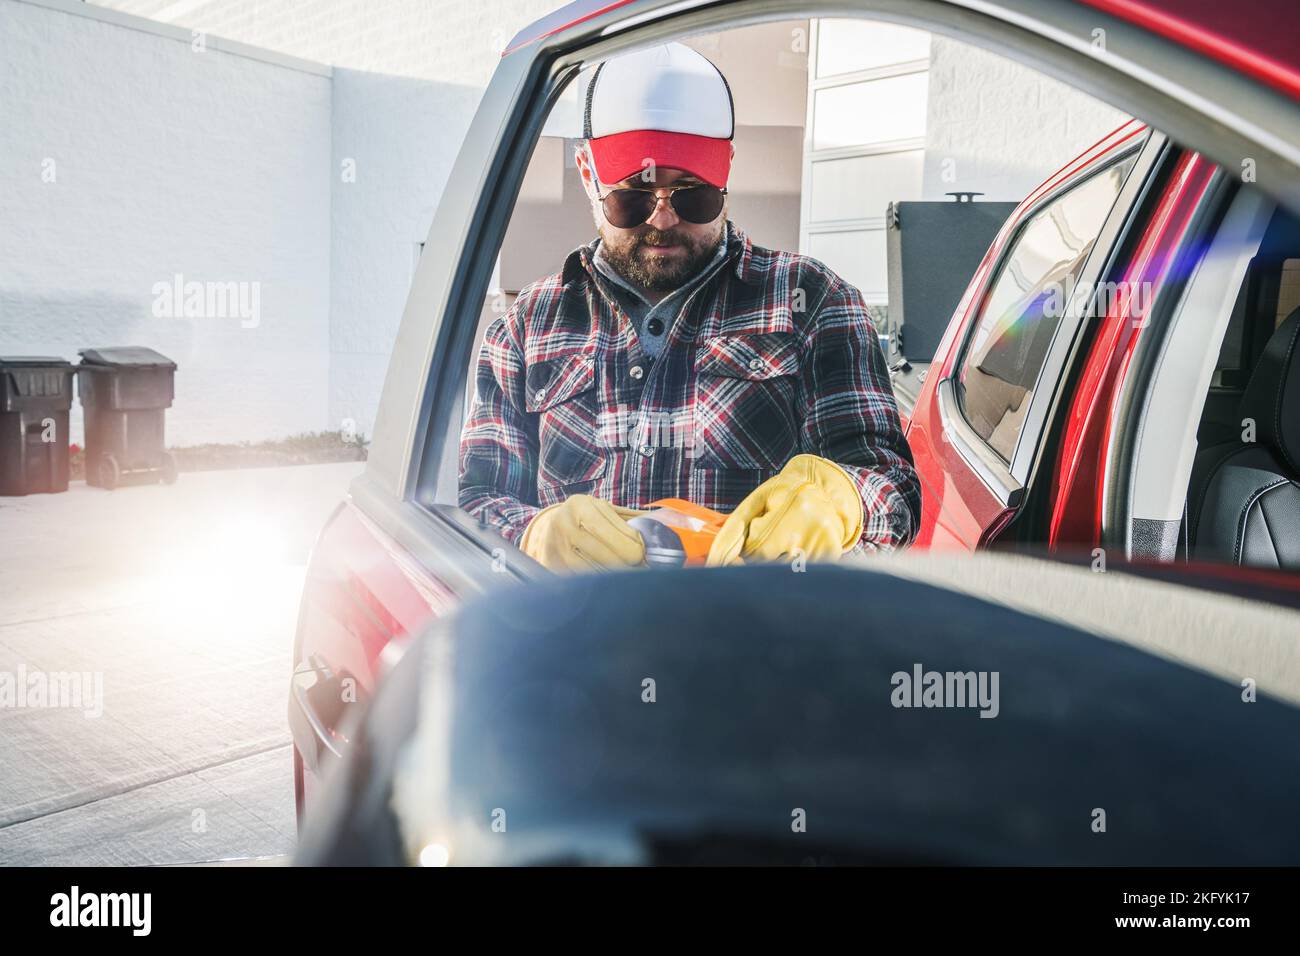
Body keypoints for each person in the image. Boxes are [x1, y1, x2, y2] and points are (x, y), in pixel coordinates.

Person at [459, 42, 920, 571]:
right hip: (583, 643)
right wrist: (533, 533)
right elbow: (477, 501)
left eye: (692, 194)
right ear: (588, 174)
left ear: (726, 173)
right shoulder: (524, 332)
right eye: (633, 195)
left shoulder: (814, 305)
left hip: (757, 638)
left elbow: (894, 490)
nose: (663, 220)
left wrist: (845, 503)